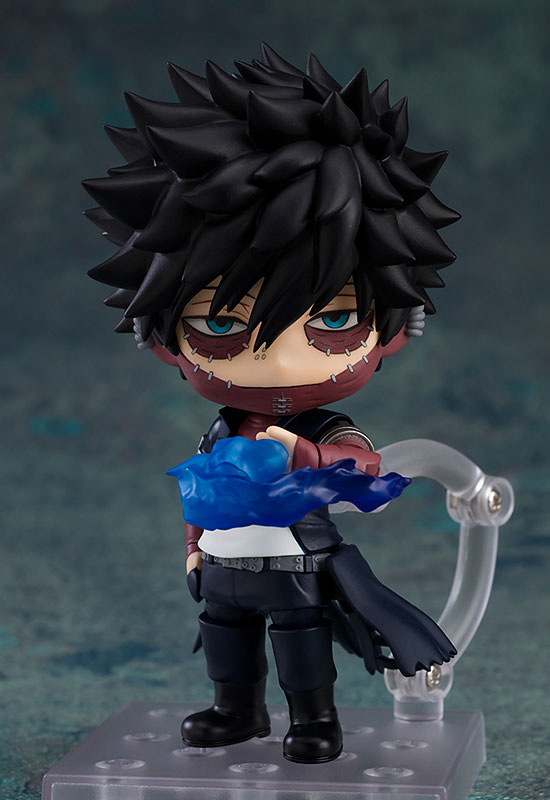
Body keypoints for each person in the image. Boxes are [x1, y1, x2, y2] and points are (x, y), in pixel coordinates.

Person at [84, 43, 459, 764]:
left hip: (295, 566)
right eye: (221, 327)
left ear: (394, 328)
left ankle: (313, 719)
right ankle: (237, 710)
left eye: (335, 319)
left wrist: (305, 451)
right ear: (159, 337)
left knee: (300, 645)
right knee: (225, 641)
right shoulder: (220, 427)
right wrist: (192, 550)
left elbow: (362, 466)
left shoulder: (322, 422)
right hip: (224, 566)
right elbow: (198, 491)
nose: (282, 362)